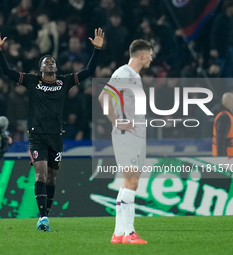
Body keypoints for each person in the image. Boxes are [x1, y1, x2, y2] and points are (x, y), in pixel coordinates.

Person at [0, 27, 104, 231]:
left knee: (52, 177)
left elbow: (88, 72)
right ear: (41, 68)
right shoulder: (32, 81)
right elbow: (7, 72)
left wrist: (96, 50)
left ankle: (45, 216)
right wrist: (0, 51)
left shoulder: (65, 81)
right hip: (37, 136)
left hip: (56, 136)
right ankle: (43, 218)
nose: (50, 62)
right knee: (41, 175)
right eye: (46, 61)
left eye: (53, 61)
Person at [98, 39, 153, 244]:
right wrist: (117, 121)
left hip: (137, 135)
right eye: (150, 54)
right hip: (126, 136)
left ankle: (119, 233)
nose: (151, 58)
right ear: (142, 55)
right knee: (132, 181)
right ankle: (130, 233)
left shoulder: (134, 76)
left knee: (128, 182)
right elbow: (103, 97)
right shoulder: (123, 73)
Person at [212, 92, 233, 156]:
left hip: (231, 159)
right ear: (227, 103)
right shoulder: (225, 116)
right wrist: (221, 160)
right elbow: (220, 140)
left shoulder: (228, 115)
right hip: (228, 159)